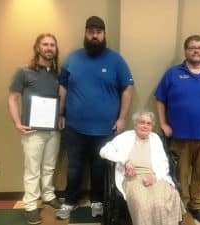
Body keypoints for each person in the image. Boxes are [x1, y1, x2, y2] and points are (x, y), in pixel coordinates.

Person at [56, 16, 134, 219]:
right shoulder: (72, 58)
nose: (94, 36)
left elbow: (127, 88)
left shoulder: (116, 60)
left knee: (99, 167)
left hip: (105, 128)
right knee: (74, 167)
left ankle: (97, 200)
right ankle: (70, 201)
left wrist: (122, 118)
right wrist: (61, 113)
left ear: (104, 34)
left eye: (98, 32)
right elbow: (62, 86)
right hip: (74, 126)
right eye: (90, 31)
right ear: (85, 33)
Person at [154, 35, 200, 224]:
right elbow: (160, 99)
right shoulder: (172, 74)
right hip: (180, 137)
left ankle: (197, 206)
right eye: (192, 47)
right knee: (180, 175)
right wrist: (163, 124)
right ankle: (181, 207)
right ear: (185, 50)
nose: (196, 50)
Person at [8, 33, 62, 225]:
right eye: (45, 44)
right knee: (32, 170)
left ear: (55, 49)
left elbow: (60, 99)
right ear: (38, 48)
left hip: (53, 130)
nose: (49, 48)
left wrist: (61, 116)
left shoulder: (58, 74)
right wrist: (16, 122)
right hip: (32, 131)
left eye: (52, 45)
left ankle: (48, 195)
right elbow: (13, 98)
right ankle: (30, 205)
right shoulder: (24, 71)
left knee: (49, 167)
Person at [100, 110, 185, 225]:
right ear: (135, 124)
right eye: (142, 122)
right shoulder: (125, 137)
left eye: (149, 123)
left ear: (152, 126)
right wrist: (125, 161)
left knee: (163, 201)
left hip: (154, 176)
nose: (145, 126)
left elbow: (164, 163)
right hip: (132, 177)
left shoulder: (155, 139)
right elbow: (104, 151)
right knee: (142, 204)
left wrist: (155, 177)